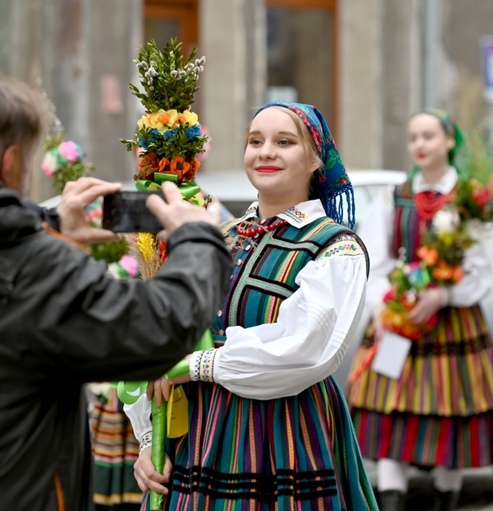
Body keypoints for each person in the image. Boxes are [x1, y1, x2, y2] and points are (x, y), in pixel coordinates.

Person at [0, 70, 233, 510]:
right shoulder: (34, 268)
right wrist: (197, 240)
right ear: (10, 162)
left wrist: (51, 228)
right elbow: (157, 331)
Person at [125, 101, 379, 509]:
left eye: (284, 141)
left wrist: (196, 366)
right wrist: (150, 443)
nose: (266, 151)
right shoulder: (218, 236)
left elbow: (306, 349)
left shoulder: (335, 247)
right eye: (255, 141)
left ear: (316, 159)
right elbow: (161, 340)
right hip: (199, 441)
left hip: (286, 439)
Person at [346, 109, 493, 511]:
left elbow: (480, 269)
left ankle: (444, 498)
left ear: (449, 141)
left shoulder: (471, 199)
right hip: (398, 321)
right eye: (414, 137)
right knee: (390, 414)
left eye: (429, 136)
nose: (420, 144)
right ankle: (391, 501)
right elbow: (376, 262)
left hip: (451, 324)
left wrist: (442, 296)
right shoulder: (394, 196)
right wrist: (387, 306)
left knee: (448, 413)